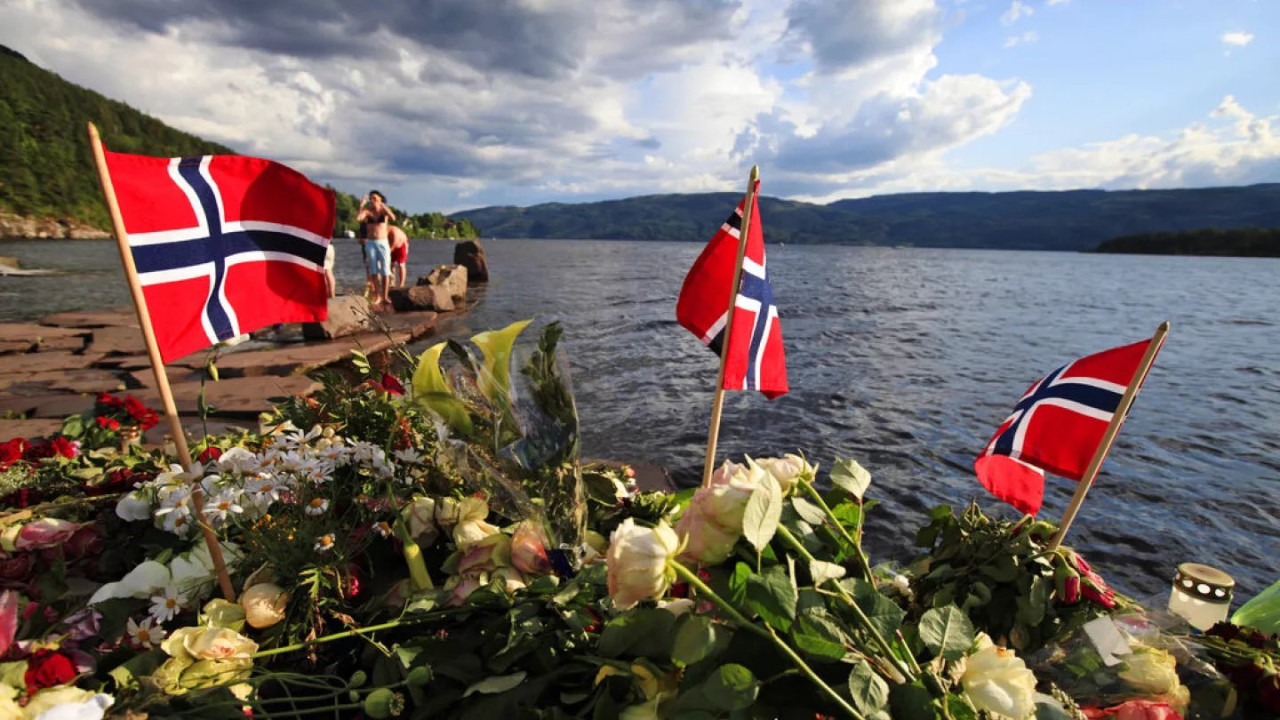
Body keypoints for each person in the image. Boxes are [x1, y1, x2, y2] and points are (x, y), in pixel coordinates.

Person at [355, 190, 396, 309]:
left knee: (385, 270)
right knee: (373, 270)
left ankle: (385, 295)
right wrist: (361, 205)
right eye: (371, 199)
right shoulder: (368, 212)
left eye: (375, 199)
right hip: (371, 243)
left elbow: (393, 217)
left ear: (380, 200)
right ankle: (377, 296)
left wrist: (382, 205)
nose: (372, 201)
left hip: (383, 242)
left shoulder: (383, 211)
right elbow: (358, 218)